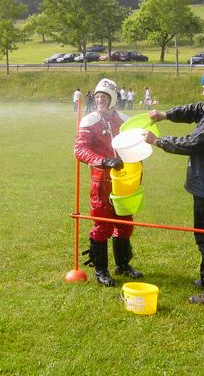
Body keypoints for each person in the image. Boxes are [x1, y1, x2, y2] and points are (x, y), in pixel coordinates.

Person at [141, 66, 204, 305]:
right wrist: (165, 115)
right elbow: (195, 109)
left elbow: (193, 142)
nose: (202, 89)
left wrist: (158, 141)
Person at [74, 78, 143, 286]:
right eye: (97, 97)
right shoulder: (90, 121)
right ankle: (101, 270)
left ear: (113, 99)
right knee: (102, 225)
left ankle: (123, 264)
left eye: (104, 97)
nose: (100, 101)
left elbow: (135, 144)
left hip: (124, 181)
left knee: (125, 224)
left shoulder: (125, 120)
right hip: (101, 180)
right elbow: (79, 150)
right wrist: (103, 160)